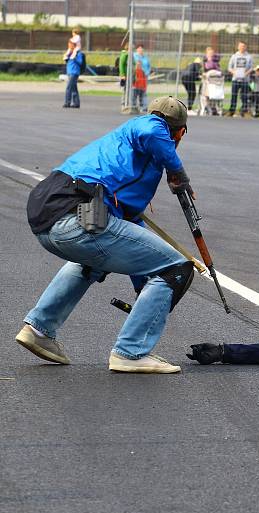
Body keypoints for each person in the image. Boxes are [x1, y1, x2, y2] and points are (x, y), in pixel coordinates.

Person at [17, 97, 195, 374]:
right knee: (177, 268)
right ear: (180, 132)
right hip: (75, 210)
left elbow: (132, 232)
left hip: (54, 210)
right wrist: (177, 171)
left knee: (94, 258)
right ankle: (131, 352)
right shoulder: (148, 126)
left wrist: (143, 289)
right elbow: (151, 130)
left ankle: (39, 329)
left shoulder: (125, 154)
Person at [227, 41, 253, 117]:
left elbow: (251, 68)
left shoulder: (249, 56)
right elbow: (229, 67)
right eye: (241, 46)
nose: (242, 47)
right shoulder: (234, 56)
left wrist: (246, 73)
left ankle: (244, 111)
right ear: (238, 47)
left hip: (245, 80)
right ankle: (232, 111)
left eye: (244, 46)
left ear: (246, 47)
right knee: (234, 96)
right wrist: (234, 72)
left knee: (244, 96)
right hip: (235, 79)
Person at [62, 41, 84, 109]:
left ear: (73, 45)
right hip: (69, 72)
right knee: (74, 88)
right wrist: (66, 58)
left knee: (69, 88)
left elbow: (80, 62)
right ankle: (76, 103)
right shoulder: (69, 53)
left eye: (70, 45)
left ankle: (67, 102)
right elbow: (68, 61)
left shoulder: (78, 53)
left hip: (74, 73)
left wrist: (75, 58)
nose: (69, 46)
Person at [132, 45, 150, 112]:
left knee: (143, 92)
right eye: (139, 49)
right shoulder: (134, 56)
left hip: (144, 77)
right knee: (134, 93)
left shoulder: (145, 58)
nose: (141, 50)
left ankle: (143, 106)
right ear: (137, 50)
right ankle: (133, 106)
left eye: (142, 49)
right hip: (136, 77)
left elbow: (149, 66)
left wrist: (146, 73)